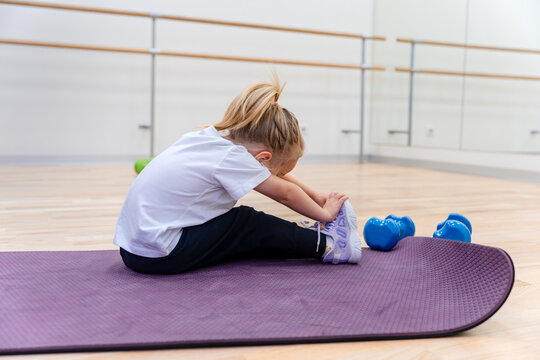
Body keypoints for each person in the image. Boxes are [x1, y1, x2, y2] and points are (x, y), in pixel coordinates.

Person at [114, 73, 362, 274]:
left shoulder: (208, 140)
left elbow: (280, 180)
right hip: (159, 255)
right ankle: (332, 246)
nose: (275, 175)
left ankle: (314, 241)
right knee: (244, 222)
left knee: (234, 229)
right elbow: (285, 193)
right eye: (274, 168)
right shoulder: (232, 158)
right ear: (263, 157)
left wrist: (317, 196)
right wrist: (325, 214)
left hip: (134, 250)